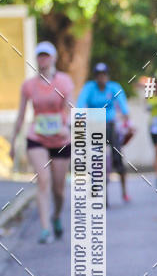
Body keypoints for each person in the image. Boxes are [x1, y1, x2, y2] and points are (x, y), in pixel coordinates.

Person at [10, 41, 74, 243]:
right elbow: (21, 115)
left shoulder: (64, 82)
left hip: (61, 139)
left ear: (53, 58)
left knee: (58, 189)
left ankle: (55, 216)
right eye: (40, 55)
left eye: (46, 55)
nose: (43, 59)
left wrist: (69, 126)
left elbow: (72, 109)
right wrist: (13, 142)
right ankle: (45, 229)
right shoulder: (28, 85)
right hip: (36, 137)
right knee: (43, 179)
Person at [77, 63, 131, 204]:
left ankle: (124, 191)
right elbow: (81, 103)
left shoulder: (114, 87)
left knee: (118, 157)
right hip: (94, 126)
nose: (101, 77)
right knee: (94, 158)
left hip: (111, 125)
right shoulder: (89, 87)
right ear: (95, 77)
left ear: (107, 76)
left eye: (104, 74)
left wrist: (126, 117)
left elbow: (123, 105)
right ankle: (96, 188)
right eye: (99, 75)